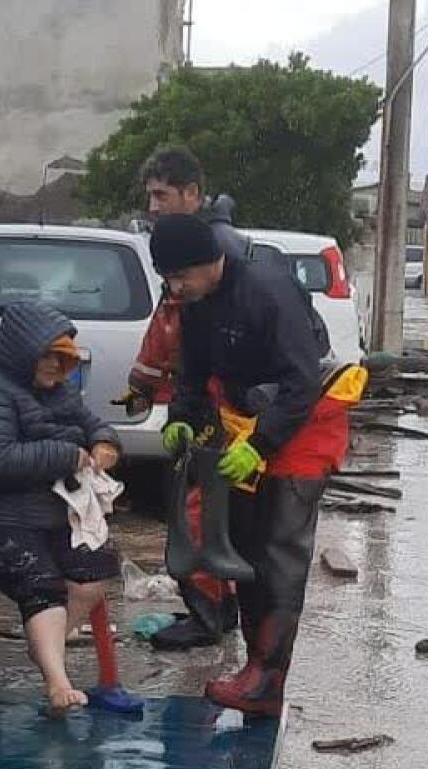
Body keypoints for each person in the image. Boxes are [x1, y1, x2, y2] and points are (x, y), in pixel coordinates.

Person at [150, 214, 366, 717]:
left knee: (279, 553)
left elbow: (301, 383)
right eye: (168, 279)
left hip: (304, 425)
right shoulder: (196, 304)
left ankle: (269, 679)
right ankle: (254, 667)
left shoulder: (269, 292)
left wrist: (261, 445)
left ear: (209, 261)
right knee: (244, 547)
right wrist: (181, 420)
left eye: (180, 276)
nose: (175, 288)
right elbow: (193, 375)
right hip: (249, 423)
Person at [0, 301, 122, 712]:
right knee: (40, 581)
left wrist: (104, 443)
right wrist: (66, 455)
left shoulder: (62, 394)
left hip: (49, 515)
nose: (55, 366)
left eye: (62, 358)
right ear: (22, 354)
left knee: (94, 569)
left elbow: (94, 423)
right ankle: (57, 681)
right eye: (47, 356)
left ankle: (47, 646)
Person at [126, 147, 250, 651]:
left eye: (162, 195)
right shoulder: (187, 250)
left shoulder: (209, 256)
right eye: (150, 196)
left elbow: (182, 333)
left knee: (198, 515)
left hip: (221, 407)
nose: (153, 206)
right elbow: (165, 331)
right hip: (203, 404)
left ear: (193, 194)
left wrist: (154, 387)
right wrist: (143, 384)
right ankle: (221, 607)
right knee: (207, 510)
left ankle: (208, 614)